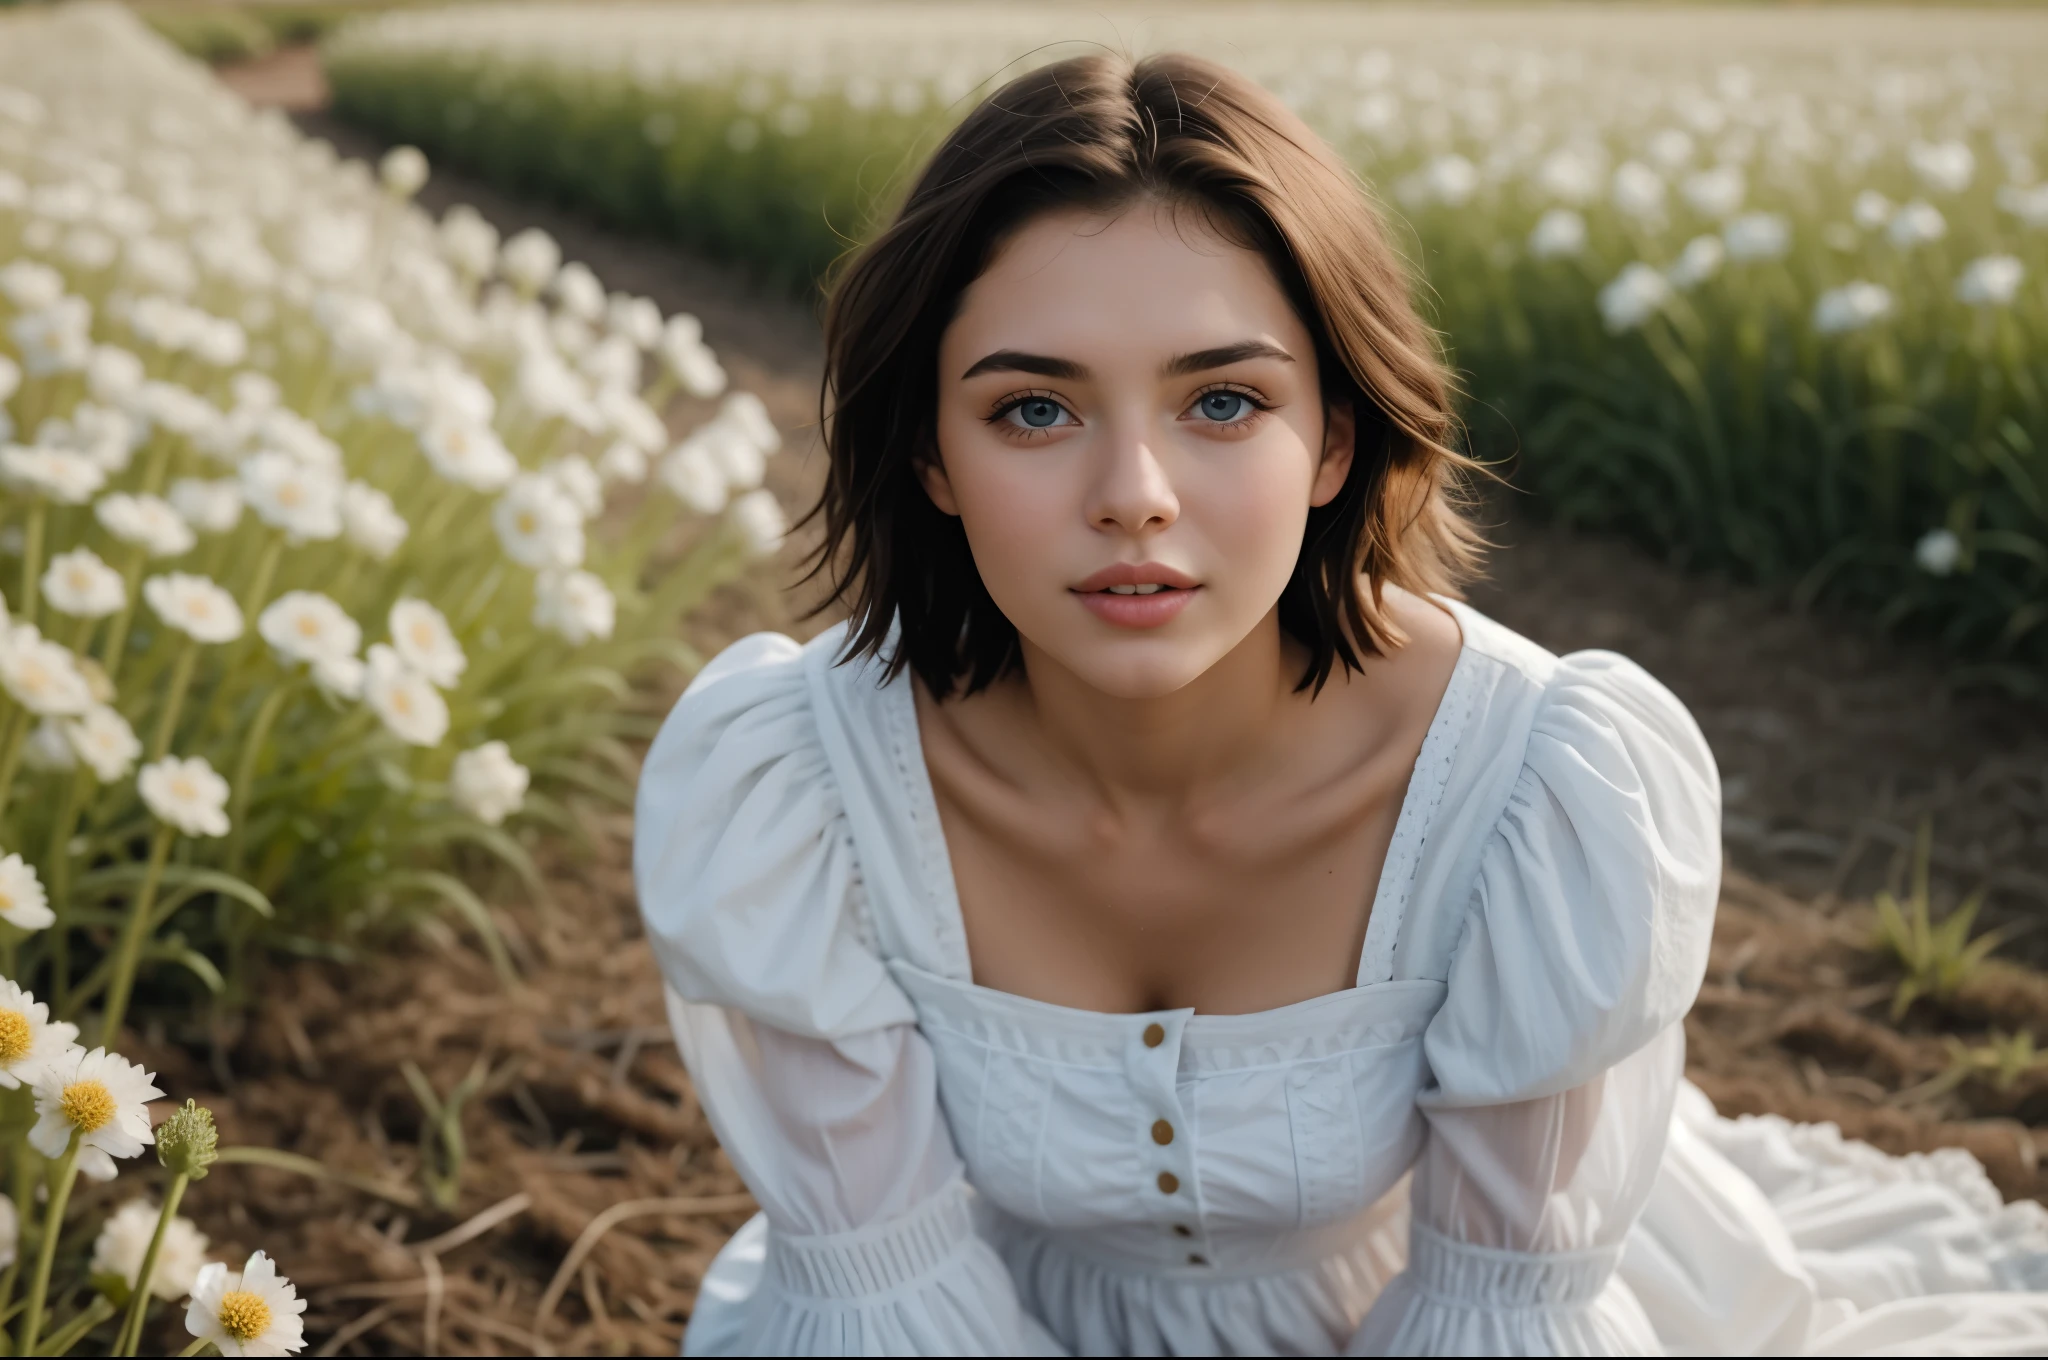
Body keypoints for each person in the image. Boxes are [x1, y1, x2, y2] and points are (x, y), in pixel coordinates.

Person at [633, 51, 2048, 1356]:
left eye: (1225, 403)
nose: (1135, 493)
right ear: (930, 459)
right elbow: (885, 1285)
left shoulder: (1531, 790)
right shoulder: (803, 793)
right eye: (1034, 411)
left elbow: (1495, 1310)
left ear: (1336, 442)